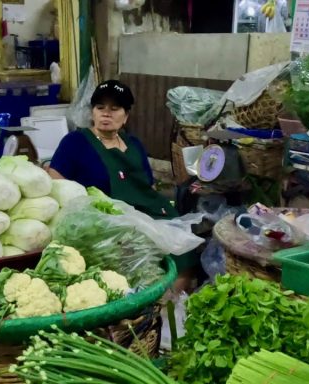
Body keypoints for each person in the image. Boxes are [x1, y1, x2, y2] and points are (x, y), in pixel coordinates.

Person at [47, 80, 198, 291]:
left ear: (126, 116)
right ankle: (150, 302)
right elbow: (56, 185)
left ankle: (173, 301)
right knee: (139, 256)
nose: (106, 114)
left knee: (183, 244)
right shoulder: (75, 142)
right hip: (106, 220)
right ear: (93, 113)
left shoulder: (134, 143)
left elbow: (148, 186)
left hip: (147, 211)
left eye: (114, 108)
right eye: (100, 108)